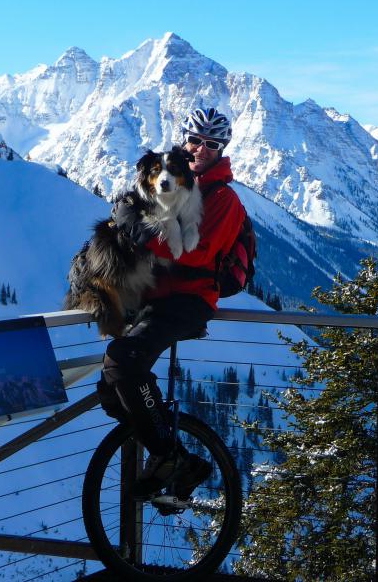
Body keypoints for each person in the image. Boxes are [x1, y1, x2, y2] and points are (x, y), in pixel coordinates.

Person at [98, 107, 247, 498]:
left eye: (211, 144)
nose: (201, 149)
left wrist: (140, 230)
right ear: (183, 139)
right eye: (195, 140)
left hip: (189, 301)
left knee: (123, 361)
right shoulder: (169, 179)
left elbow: (194, 253)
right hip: (154, 299)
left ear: (222, 149)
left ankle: (172, 458)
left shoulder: (224, 199)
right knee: (113, 391)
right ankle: (173, 460)